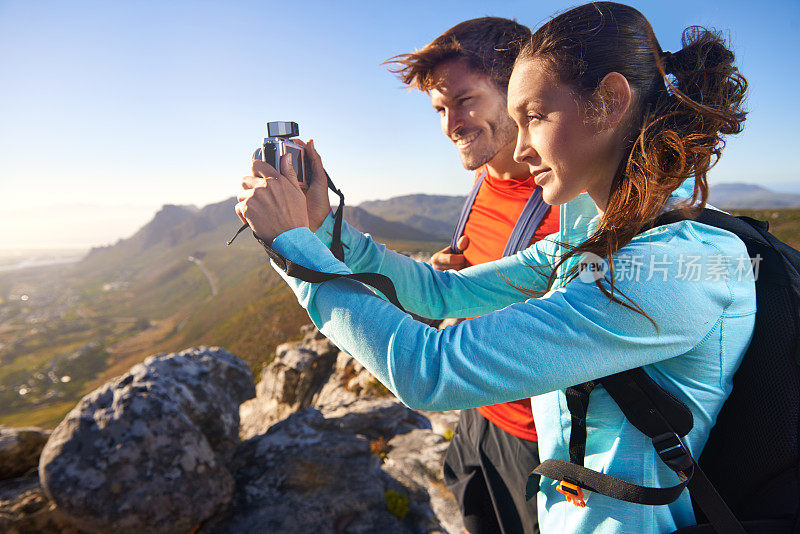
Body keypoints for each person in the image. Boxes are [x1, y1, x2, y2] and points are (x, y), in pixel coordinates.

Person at [235, 2, 753, 533]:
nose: (523, 148)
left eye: (535, 116)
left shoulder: (668, 269)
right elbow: (443, 293)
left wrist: (293, 248)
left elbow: (430, 370)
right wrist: (324, 231)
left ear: (610, 102)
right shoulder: (594, 241)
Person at [385, 17, 559, 534]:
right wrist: (451, 281)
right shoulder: (485, 178)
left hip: (535, 442)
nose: (450, 124)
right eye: (441, 108)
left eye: (465, 100)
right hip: (477, 417)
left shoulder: (564, 203)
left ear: (517, 91)